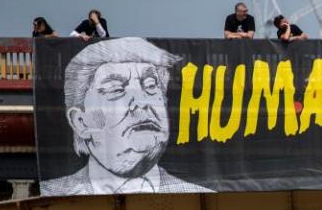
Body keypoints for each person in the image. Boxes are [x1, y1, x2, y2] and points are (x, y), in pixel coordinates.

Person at [40, 38, 212, 196]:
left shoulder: (198, 195)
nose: (141, 102)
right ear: (81, 122)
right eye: (116, 89)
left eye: (151, 86)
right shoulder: (52, 194)